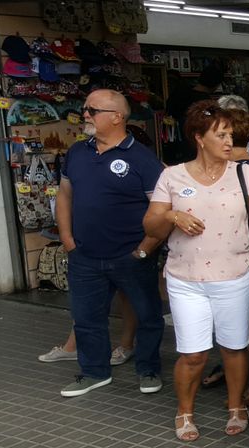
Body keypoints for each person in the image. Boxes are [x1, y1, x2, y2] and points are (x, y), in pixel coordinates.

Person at [143, 100, 249, 440]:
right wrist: (172, 215)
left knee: (235, 347)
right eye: (221, 135)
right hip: (186, 279)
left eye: (231, 135)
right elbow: (151, 225)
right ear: (200, 138)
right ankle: (184, 412)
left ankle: (236, 406)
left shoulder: (244, 173)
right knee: (193, 353)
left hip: (235, 274)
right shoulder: (171, 176)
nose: (229, 142)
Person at [57, 89, 166, 398]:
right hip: (84, 256)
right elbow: (65, 195)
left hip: (131, 256)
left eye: (93, 110)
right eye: (85, 109)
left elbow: (162, 213)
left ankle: (147, 369)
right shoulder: (77, 152)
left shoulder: (143, 160)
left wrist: (144, 249)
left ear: (117, 117)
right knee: (86, 318)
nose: (85, 115)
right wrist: (67, 239)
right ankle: (94, 372)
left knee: (148, 316)